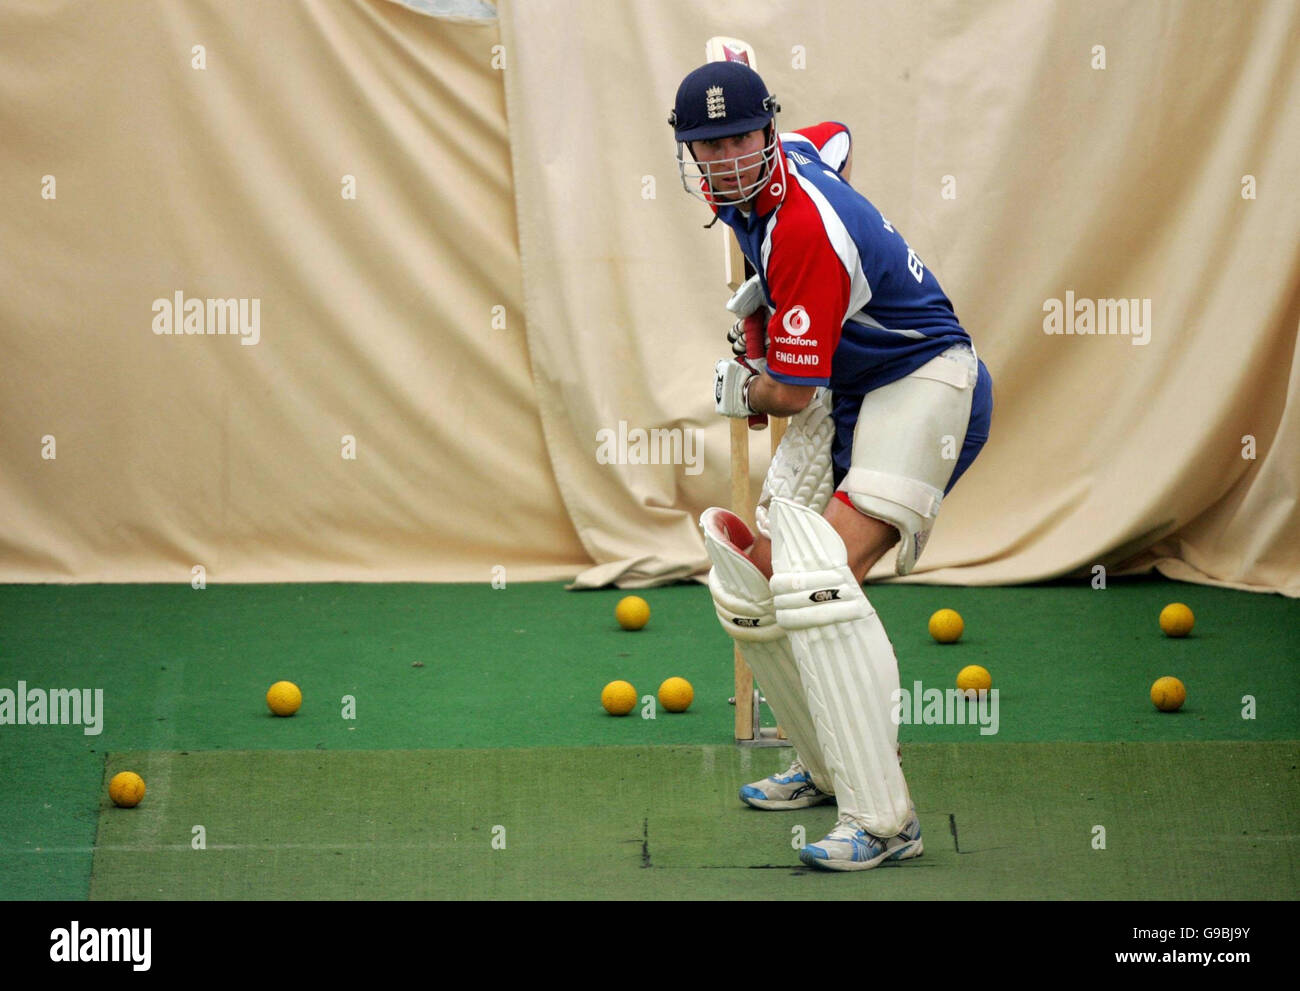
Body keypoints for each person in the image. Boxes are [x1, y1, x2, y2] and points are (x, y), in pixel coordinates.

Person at [669, 60, 993, 870]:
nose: (729, 157)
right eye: (710, 145)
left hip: (924, 380)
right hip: (856, 385)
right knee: (756, 577)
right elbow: (836, 137)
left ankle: (886, 821)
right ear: (690, 154)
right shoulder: (787, 162)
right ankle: (821, 763)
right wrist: (765, 308)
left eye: (742, 137)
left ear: (767, 133)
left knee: (817, 580)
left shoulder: (805, 232)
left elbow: (786, 392)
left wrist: (742, 378)